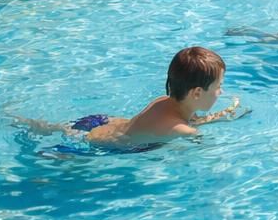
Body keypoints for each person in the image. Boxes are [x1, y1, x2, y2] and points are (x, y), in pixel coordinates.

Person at [23, 47, 242, 148]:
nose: (220, 92)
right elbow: (200, 141)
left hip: (98, 121)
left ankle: (32, 124)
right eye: (218, 87)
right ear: (196, 93)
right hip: (97, 145)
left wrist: (218, 116)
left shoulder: (163, 101)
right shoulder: (183, 130)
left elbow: (184, 119)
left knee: (57, 128)